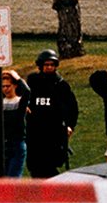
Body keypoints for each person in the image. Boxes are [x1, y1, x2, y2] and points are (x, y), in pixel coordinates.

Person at [24, 50, 79, 178]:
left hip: (54, 129)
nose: (49, 67)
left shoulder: (61, 85)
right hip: (35, 129)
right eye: (46, 64)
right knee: (35, 165)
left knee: (50, 164)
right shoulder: (33, 82)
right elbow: (21, 95)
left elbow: (72, 107)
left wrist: (70, 125)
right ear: (40, 66)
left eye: (51, 64)